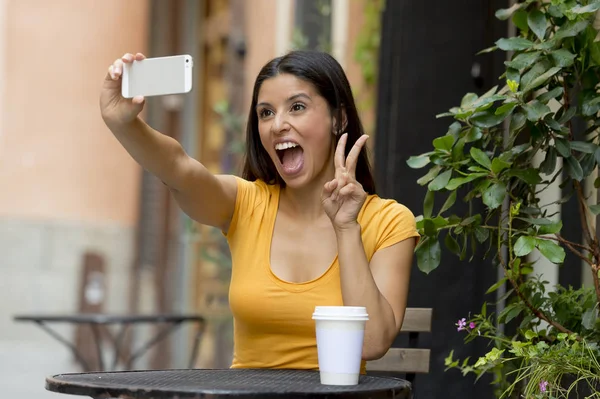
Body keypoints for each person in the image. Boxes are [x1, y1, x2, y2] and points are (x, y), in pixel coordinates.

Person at [100, 50, 419, 371]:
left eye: (297, 107)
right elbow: (178, 167)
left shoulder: (389, 222)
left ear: (339, 118)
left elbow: (373, 342)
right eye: (265, 113)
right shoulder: (244, 203)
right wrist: (124, 124)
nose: (277, 124)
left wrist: (347, 227)